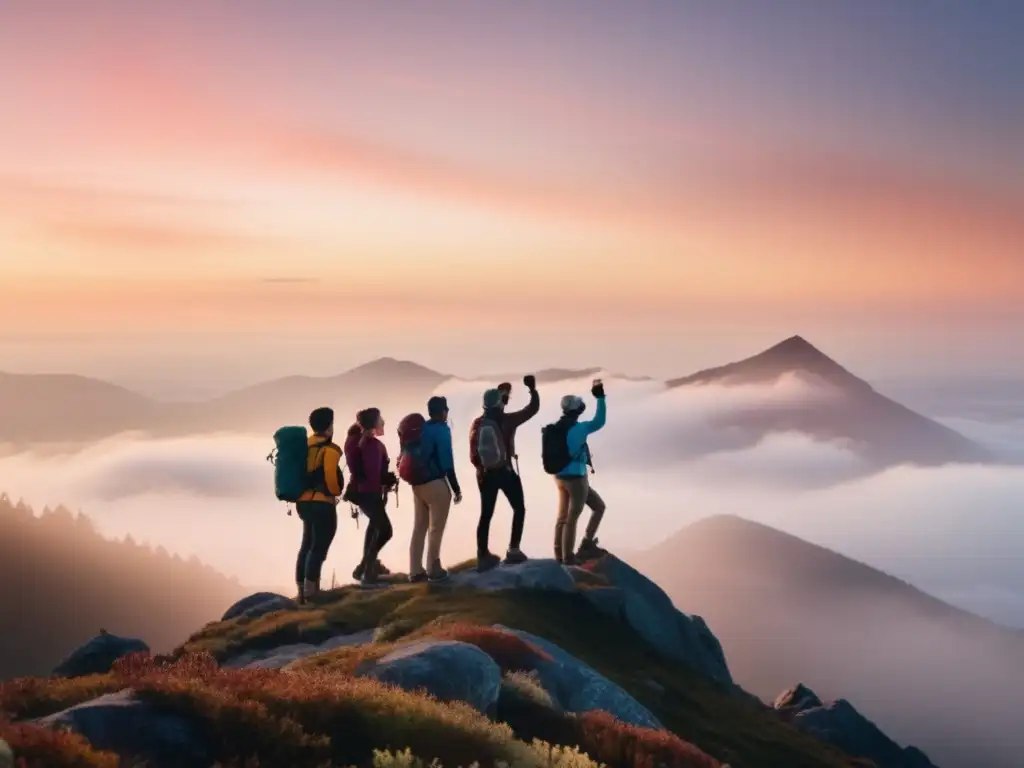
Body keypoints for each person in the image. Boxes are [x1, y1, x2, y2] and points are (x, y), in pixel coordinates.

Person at [469, 374, 539, 571]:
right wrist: (532, 390)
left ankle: (482, 555)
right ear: (500, 403)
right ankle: (513, 550)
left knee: (486, 514)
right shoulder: (509, 420)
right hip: (505, 472)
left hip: (484, 475)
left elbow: (473, 453)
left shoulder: (477, 423)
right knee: (519, 508)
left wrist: (482, 470)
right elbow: (532, 409)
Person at [408, 395, 462, 583]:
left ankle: (415, 571)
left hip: (417, 484)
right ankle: (433, 568)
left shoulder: (421, 429)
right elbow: (447, 462)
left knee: (419, 527)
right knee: (436, 528)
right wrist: (456, 489)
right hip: (436, 485)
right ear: (442, 412)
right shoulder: (442, 430)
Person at [553, 379, 607, 565]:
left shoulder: (556, 428)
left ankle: (559, 556)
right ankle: (575, 552)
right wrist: (600, 397)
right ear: (576, 410)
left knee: (562, 517)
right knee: (581, 514)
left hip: (559, 477)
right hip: (577, 478)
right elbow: (599, 421)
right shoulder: (579, 428)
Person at [295, 406, 343, 602]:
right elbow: (331, 479)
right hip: (322, 504)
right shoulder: (330, 450)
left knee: (306, 545)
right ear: (329, 425)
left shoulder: (304, 447)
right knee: (319, 546)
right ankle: (312, 591)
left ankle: (301, 590)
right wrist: (336, 493)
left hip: (303, 503)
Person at [345, 407, 397, 586]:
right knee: (385, 530)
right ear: (373, 423)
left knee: (374, 529)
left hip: (364, 494)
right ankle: (366, 569)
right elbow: (371, 473)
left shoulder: (357, 441)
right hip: (369, 494)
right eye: (379, 419)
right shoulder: (368, 444)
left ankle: (365, 569)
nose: (382, 422)